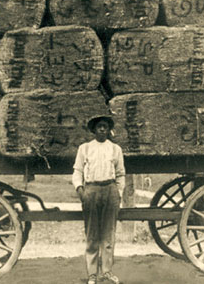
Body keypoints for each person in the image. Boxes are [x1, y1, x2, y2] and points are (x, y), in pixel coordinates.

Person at [73, 115, 125, 284]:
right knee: (92, 234)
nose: (102, 129)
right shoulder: (85, 148)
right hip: (91, 190)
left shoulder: (115, 149)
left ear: (109, 130)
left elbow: (120, 174)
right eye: (99, 126)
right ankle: (92, 274)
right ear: (94, 129)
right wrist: (80, 189)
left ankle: (107, 272)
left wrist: (119, 192)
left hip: (110, 190)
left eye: (105, 126)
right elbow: (77, 171)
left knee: (108, 235)